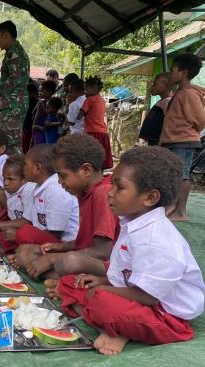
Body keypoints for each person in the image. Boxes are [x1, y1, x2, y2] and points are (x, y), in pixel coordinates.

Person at [57, 146, 205, 356]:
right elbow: (127, 271)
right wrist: (104, 281)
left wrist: (105, 291)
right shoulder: (132, 222)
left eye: (119, 188)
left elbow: (148, 297)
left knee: (102, 301)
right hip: (138, 299)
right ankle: (111, 326)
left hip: (166, 316)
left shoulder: (157, 239)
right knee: (71, 283)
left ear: (150, 198)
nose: (110, 192)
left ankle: (113, 329)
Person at [14, 134, 118, 282]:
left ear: (86, 170)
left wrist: (52, 259)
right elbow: (84, 242)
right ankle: (62, 280)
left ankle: (65, 282)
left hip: (100, 264)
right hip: (80, 255)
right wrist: (60, 247)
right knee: (24, 251)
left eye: (63, 176)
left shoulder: (102, 193)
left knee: (69, 261)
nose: (59, 182)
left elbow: (102, 252)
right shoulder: (84, 193)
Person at [0, 145, 79, 253]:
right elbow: (27, 221)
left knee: (23, 235)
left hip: (63, 245)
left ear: (38, 168)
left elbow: (55, 234)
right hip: (42, 237)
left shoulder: (55, 190)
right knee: (7, 233)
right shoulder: (37, 187)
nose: (23, 168)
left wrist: (18, 235)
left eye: (25, 164)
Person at [160, 53, 205, 222]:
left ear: (183, 73)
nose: (170, 74)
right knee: (175, 174)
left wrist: (187, 130)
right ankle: (172, 206)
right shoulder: (181, 92)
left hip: (183, 141)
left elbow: (200, 120)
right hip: (174, 140)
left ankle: (180, 211)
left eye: (173, 70)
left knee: (182, 175)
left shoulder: (189, 94)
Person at [0, 21, 30, 155]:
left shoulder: (14, 54)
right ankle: (12, 174)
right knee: (9, 142)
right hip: (12, 103)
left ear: (6, 35)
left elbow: (15, 80)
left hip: (14, 104)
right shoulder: (12, 52)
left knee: (10, 144)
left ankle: (15, 174)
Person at [79, 76, 113, 169]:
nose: (84, 92)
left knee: (90, 157)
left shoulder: (89, 100)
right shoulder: (102, 100)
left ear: (93, 89)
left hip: (92, 132)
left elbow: (80, 115)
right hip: (102, 132)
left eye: (86, 90)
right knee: (100, 158)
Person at [138, 72, 172, 146]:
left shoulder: (168, 102)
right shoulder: (162, 102)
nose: (152, 87)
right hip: (153, 141)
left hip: (159, 142)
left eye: (155, 84)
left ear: (166, 86)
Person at [32, 80, 57, 146]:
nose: (40, 93)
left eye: (42, 91)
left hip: (43, 130)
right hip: (42, 130)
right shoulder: (44, 102)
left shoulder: (42, 103)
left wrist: (34, 126)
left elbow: (36, 117)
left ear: (50, 92)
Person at [22, 83, 38, 153]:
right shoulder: (34, 102)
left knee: (26, 146)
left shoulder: (33, 103)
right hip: (28, 127)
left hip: (28, 127)